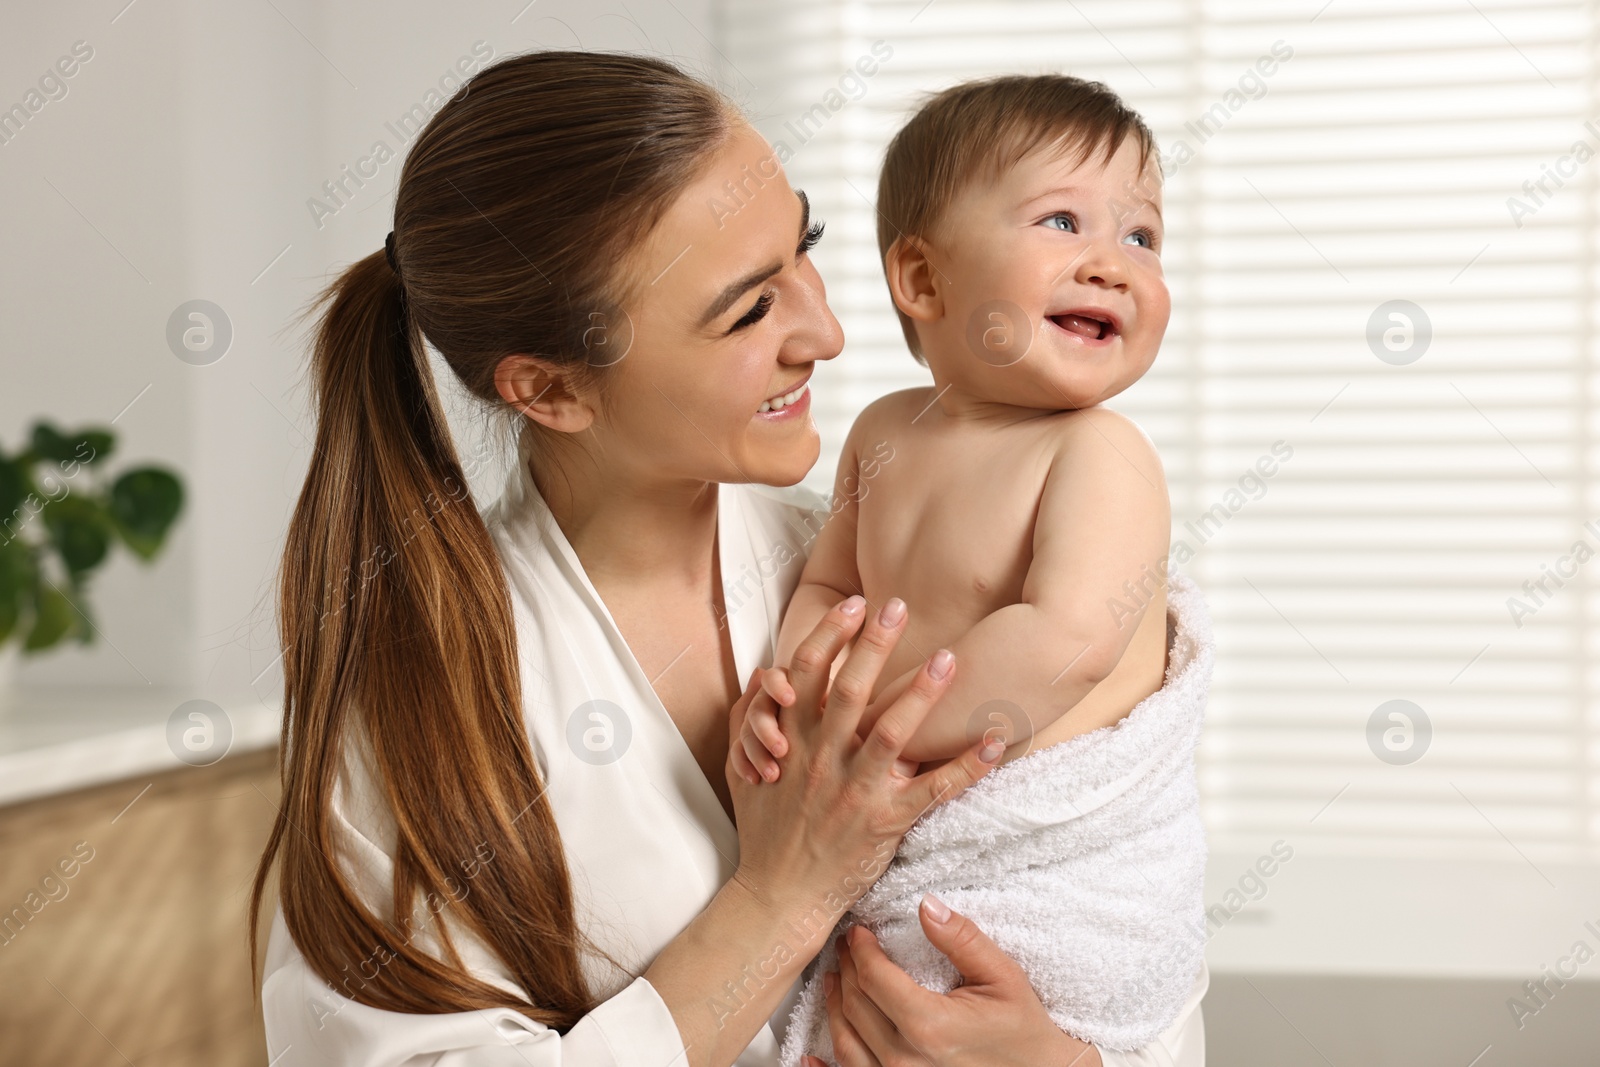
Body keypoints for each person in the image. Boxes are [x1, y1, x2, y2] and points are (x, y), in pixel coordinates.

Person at [250, 50, 1199, 1067]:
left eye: (808, 247)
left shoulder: (891, 570)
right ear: (553, 390)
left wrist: (1061, 1062)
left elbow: (1123, 918)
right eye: (749, 309)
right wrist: (782, 899)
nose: (827, 332)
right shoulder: (422, 701)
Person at [738, 75, 1212, 1067]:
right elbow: (829, 588)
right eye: (1062, 220)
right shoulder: (880, 432)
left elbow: (1064, 638)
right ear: (920, 279)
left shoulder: (1097, 452)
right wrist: (806, 683)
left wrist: (875, 728)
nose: (1112, 264)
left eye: (1142, 237)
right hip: (908, 817)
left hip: (1036, 863)